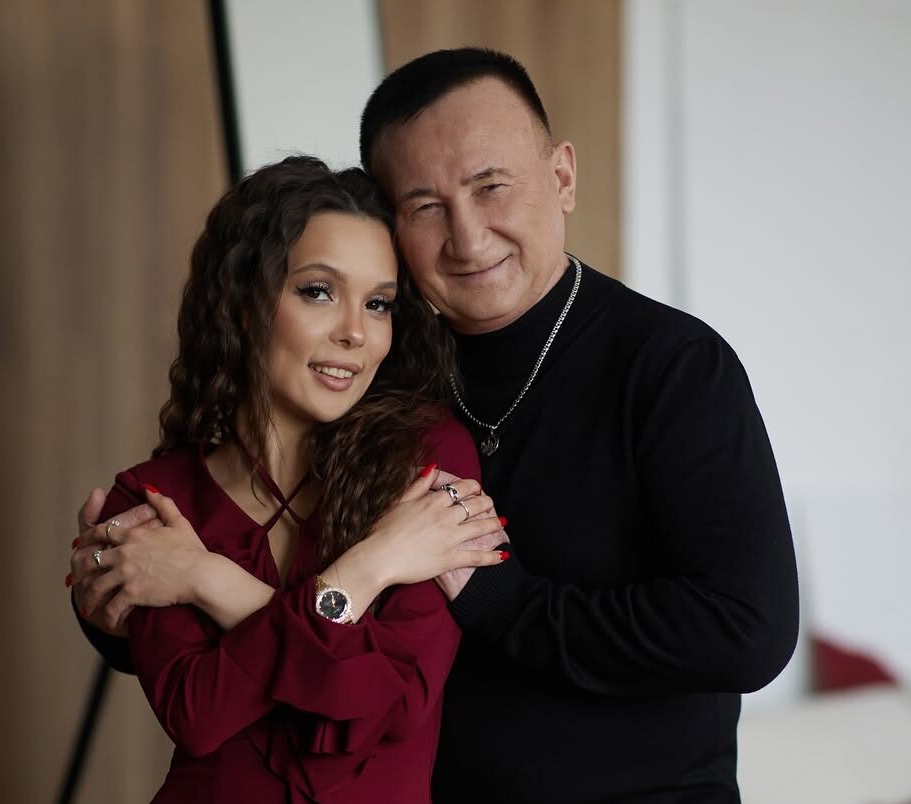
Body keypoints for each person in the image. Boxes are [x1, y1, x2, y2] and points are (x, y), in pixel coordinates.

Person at [73, 49, 799, 802]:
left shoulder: (672, 367)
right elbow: (278, 609)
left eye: (491, 187)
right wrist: (125, 594)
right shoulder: (372, 373)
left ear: (561, 177)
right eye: (425, 207)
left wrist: (496, 597)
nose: (468, 236)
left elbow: (746, 631)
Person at [68, 155, 509, 803]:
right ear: (246, 303)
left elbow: (391, 709)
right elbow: (196, 714)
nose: (355, 333)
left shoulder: (428, 462)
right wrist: (367, 570)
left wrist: (206, 579)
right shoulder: (156, 500)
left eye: (378, 304)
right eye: (318, 291)